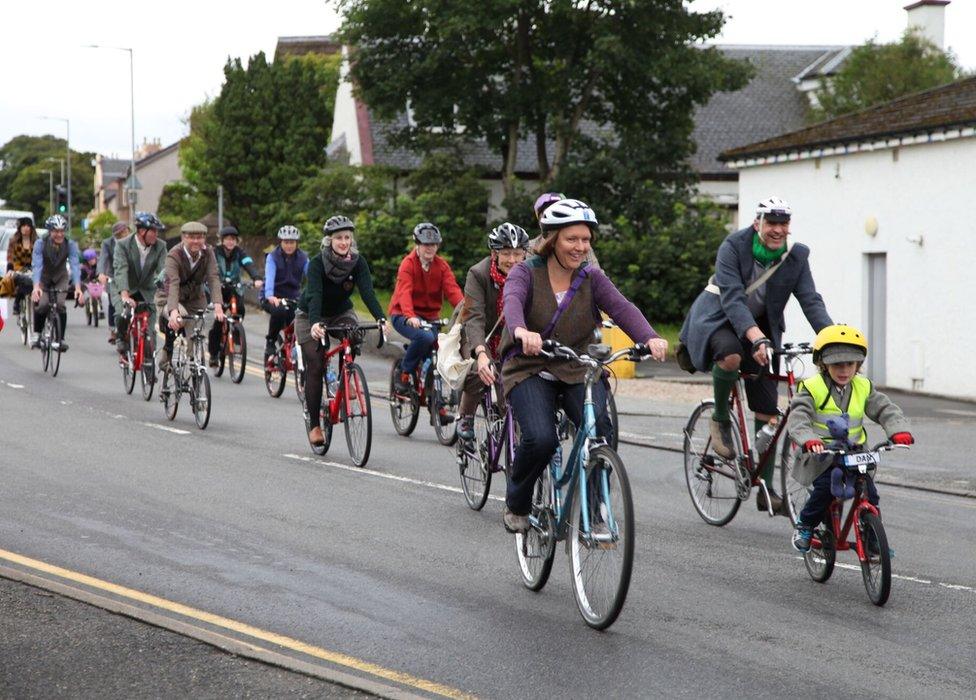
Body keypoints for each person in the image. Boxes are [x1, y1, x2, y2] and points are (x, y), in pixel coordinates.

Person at [499, 198, 668, 532]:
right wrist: (520, 330)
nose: (580, 247)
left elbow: (622, 308)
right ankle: (517, 502)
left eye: (586, 239)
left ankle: (594, 508)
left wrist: (650, 337)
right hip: (530, 366)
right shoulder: (526, 272)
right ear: (551, 239)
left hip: (575, 365)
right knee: (541, 438)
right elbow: (512, 301)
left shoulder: (592, 277)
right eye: (571, 239)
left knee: (601, 432)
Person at [678, 196, 832, 513]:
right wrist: (755, 338)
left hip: (761, 329)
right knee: (732, 357)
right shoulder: (733, 247)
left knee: (769, 411)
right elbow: (733, 299)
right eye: (771, 223)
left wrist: (832, 339)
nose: (777, 230)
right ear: (757, 223)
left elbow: (810, 300)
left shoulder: (796, 256)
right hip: (719, 319)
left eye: (783, 224)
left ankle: (765, 487)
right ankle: (720, 419)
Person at [786, 325, 914, 552]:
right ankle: (805, 524)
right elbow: (798, 417)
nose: (844, 370)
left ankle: (873, 536)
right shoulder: (812, 387)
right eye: (837, 364)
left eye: (850, 364)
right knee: (825, 489)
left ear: (858, 365)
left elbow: (885, 409)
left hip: (855, 454)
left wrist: (897, 430)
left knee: (870, 492)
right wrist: (808, 439)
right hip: (821, 455)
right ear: (823, 364)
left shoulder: (863, 386)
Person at [296, 215, 386, 445]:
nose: (344, 242)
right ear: (329, 241)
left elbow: (367, 293)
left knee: (354, 334)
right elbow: (315, 295)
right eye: (338, 238)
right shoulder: (317, 263)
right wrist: (316, 323)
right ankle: (315, 425)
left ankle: (346, 381)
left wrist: (380, 317)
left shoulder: (358, 262)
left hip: (340, 312)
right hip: (309, 316)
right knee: (315, 364)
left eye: (347, 237)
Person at [455, 222, 530, 443]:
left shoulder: (531, 273)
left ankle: (505, 430)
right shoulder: (478, 274)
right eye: (506, 253)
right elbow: (474, 317)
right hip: (479, 330)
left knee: (512, 384)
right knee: (481, 370)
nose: (513, 260)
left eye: (518, 253)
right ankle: (466, 416)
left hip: (511, 334)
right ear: (494, 253)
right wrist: (480, 353)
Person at [389, 222, 464, 393]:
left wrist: (466, 311)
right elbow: (404, 292)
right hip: (403, 314)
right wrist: (410, 315)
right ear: (417, 244)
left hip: (430, 317)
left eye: (434, 244)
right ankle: (404, 372)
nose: (430, 248)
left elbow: (453, 291)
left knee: (440, 348)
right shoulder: (408, 264)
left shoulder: (442, 266)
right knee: (424, 337)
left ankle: (436, 403)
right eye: (425, 244)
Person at [154, 221, 225, 370]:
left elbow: (213, 277)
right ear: (183, 238)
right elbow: (173, 283)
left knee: (198, 329)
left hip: (195, 297)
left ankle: (194, 363)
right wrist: (173, 311)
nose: (195, 241)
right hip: (169, 296)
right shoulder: (174, 255)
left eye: (199, 237)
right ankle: (166, 356)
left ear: (204, 238)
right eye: (191, 237)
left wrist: (218, 305)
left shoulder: (208, 252)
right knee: (180, 318)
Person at [207, 225, 263, 367]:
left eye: (233, 239)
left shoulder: (240, 253)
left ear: (236, 241)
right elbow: (209, 267)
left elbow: (248, 264)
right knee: (219, 322)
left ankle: (237, 332)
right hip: (219, 289)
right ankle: (214, 354)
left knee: (240, 309)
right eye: (227, 239)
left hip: (234, 288)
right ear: (222, 240)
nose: (230, 242)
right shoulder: (215, 252)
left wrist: (256, 277)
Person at [113, 212, 168, 357]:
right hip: (125, 287)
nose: (156, 234)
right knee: (122, 313)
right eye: (153, 231)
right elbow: (121, 270)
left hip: (147, 289)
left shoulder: (161, 246)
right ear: (142, 231)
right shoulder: (123, 245)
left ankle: (149, 367)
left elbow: (164, 270)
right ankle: (121, 338)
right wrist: (124, 295)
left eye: (157, 231)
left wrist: (166, 286)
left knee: (150, 330)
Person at [30, 215, 83, 351]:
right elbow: (37, 266)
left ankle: (60, 339)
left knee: (60, 305)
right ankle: (37, 334)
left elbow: (75, 265)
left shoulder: (69, 244)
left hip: (60, 276)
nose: (59, 234)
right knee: (42, 304)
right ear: (49, 231)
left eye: (62, 231)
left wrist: (78, 288)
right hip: (43, 277)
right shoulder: (40, 244)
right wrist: (36, 287)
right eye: (55, 231)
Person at [260, 225, 308, 359]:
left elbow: (312, 275)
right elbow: (270, 277)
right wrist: (270, 295)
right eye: (286, 242)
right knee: (279, 310)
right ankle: (271, 340)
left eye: (292, 242)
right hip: (273, 296)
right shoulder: (273, 257)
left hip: (293, 297)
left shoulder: (303, 257)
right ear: (280, 242)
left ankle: (294, 345)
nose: (289, 246)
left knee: (303, 316)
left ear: (296, 243)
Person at [528, 192, 599, 268]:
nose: (580, 247)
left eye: (560, 214)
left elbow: (597, 272)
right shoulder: (529, 247)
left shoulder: (582, 246)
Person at [99, 221, 130, 341]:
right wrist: (101, 273)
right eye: (120, 233)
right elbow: (103, 259)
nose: (123, 234)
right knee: (113, 302)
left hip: (130, 275)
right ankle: (113, 329)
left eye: (125, 231)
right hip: (113, 275)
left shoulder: (134, 241)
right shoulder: (108, 243)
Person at [2, 217, 37, 315]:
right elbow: (10, 257)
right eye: (23, 226)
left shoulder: (36, 241)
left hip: (33, 267)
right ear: (20, 228)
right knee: (22, 280)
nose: (26, 228)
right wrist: (10, 270)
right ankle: (17, 303)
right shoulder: (14, 241)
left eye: (28, 226)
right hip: (18, 267)